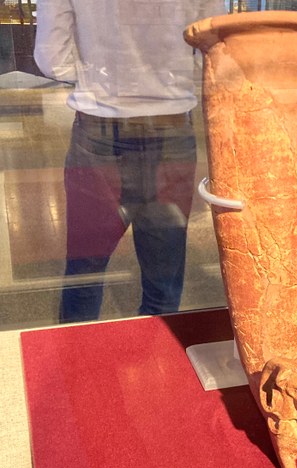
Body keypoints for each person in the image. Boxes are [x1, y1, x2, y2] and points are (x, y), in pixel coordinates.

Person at [34, 0, 225, 322]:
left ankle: (77, 362)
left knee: (85, 268)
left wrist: (101, 80)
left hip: (100, 124)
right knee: (164, 275)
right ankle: (157, 360)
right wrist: (166, 79)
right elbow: (214, 54)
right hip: (171, 125)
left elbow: (53, 60)